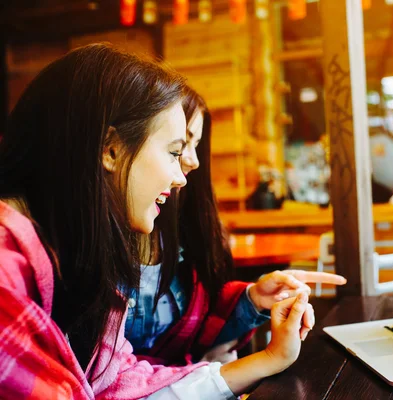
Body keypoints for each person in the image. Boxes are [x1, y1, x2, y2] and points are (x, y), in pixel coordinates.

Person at [0, 44, 313, 399]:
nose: (183, 173)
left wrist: (270, 355)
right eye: (174, 151)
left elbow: (121, 382)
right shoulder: (7, 273)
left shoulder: (72, 257)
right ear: (110, 149)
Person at [125, 86, 348, 367]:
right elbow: (112, 376)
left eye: (196, 145)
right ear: (114, 150)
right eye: (179, 146)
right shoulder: (97, 250)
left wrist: (253, 300)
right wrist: (260, 364)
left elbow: (200, 337)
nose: (192, 160)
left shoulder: (183, 236)